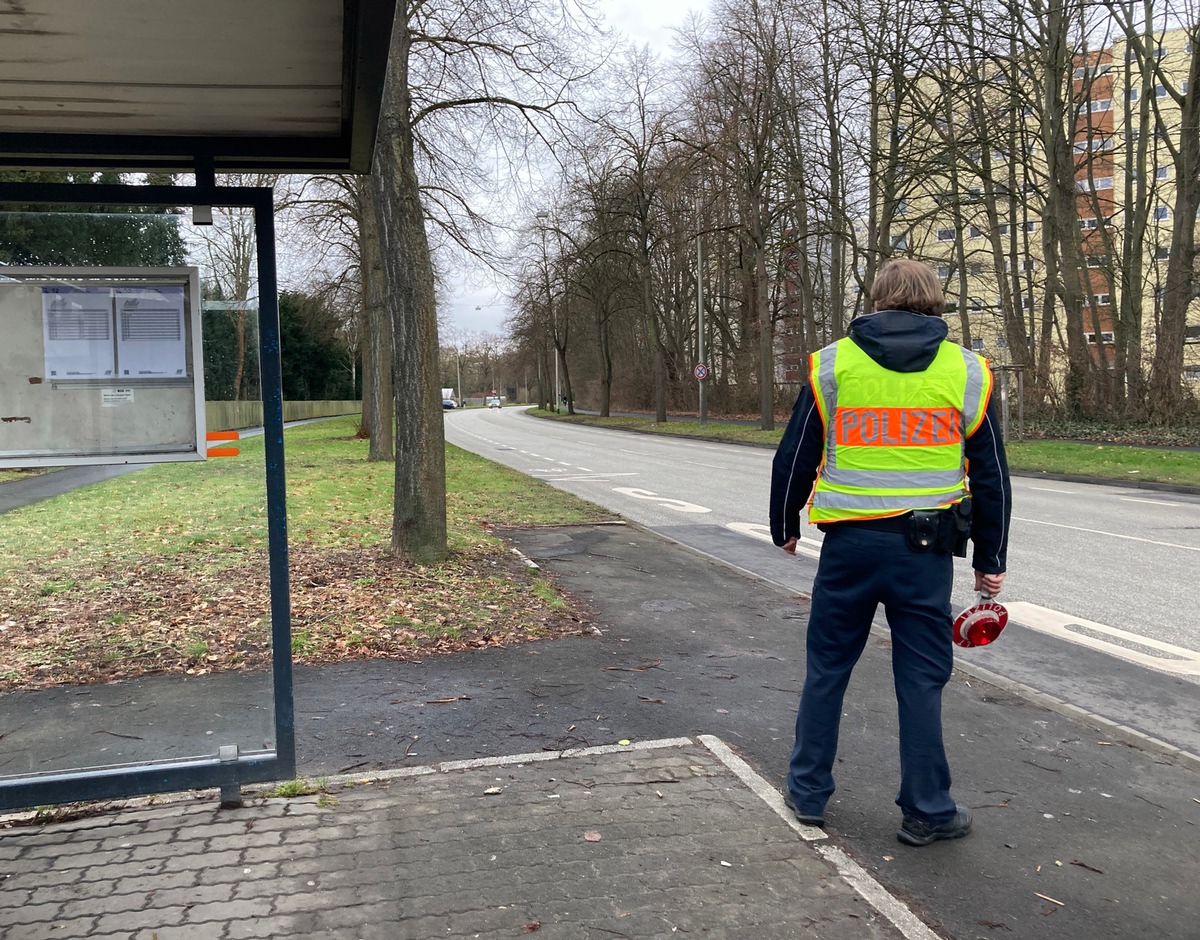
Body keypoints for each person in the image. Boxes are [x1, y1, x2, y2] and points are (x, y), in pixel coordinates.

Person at [769, 258, 1011, 847]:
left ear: (876, 300)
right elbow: (993, 476)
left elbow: (796, 451)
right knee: (921, 679)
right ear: (934, 303)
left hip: (849, 548)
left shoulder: (833, 364)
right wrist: (990, 558)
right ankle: (927, 809)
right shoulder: (968, 371)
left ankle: (806, 796)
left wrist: (785, 521)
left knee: (828, 669)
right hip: (923, 554)